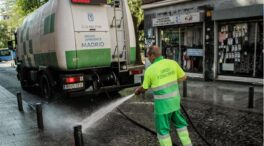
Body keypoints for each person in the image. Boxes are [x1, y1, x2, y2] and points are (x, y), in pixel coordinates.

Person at [135, 45, 192, 146]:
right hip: (175, 104)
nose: (148, 59)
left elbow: (144, 87)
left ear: (152, 55)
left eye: (148, 56)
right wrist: (173, 81)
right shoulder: (172, 63)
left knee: (163, 132)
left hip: (162, 108)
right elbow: (183, 77)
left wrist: (138, 91)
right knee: (181, 125)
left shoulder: (150, 70)